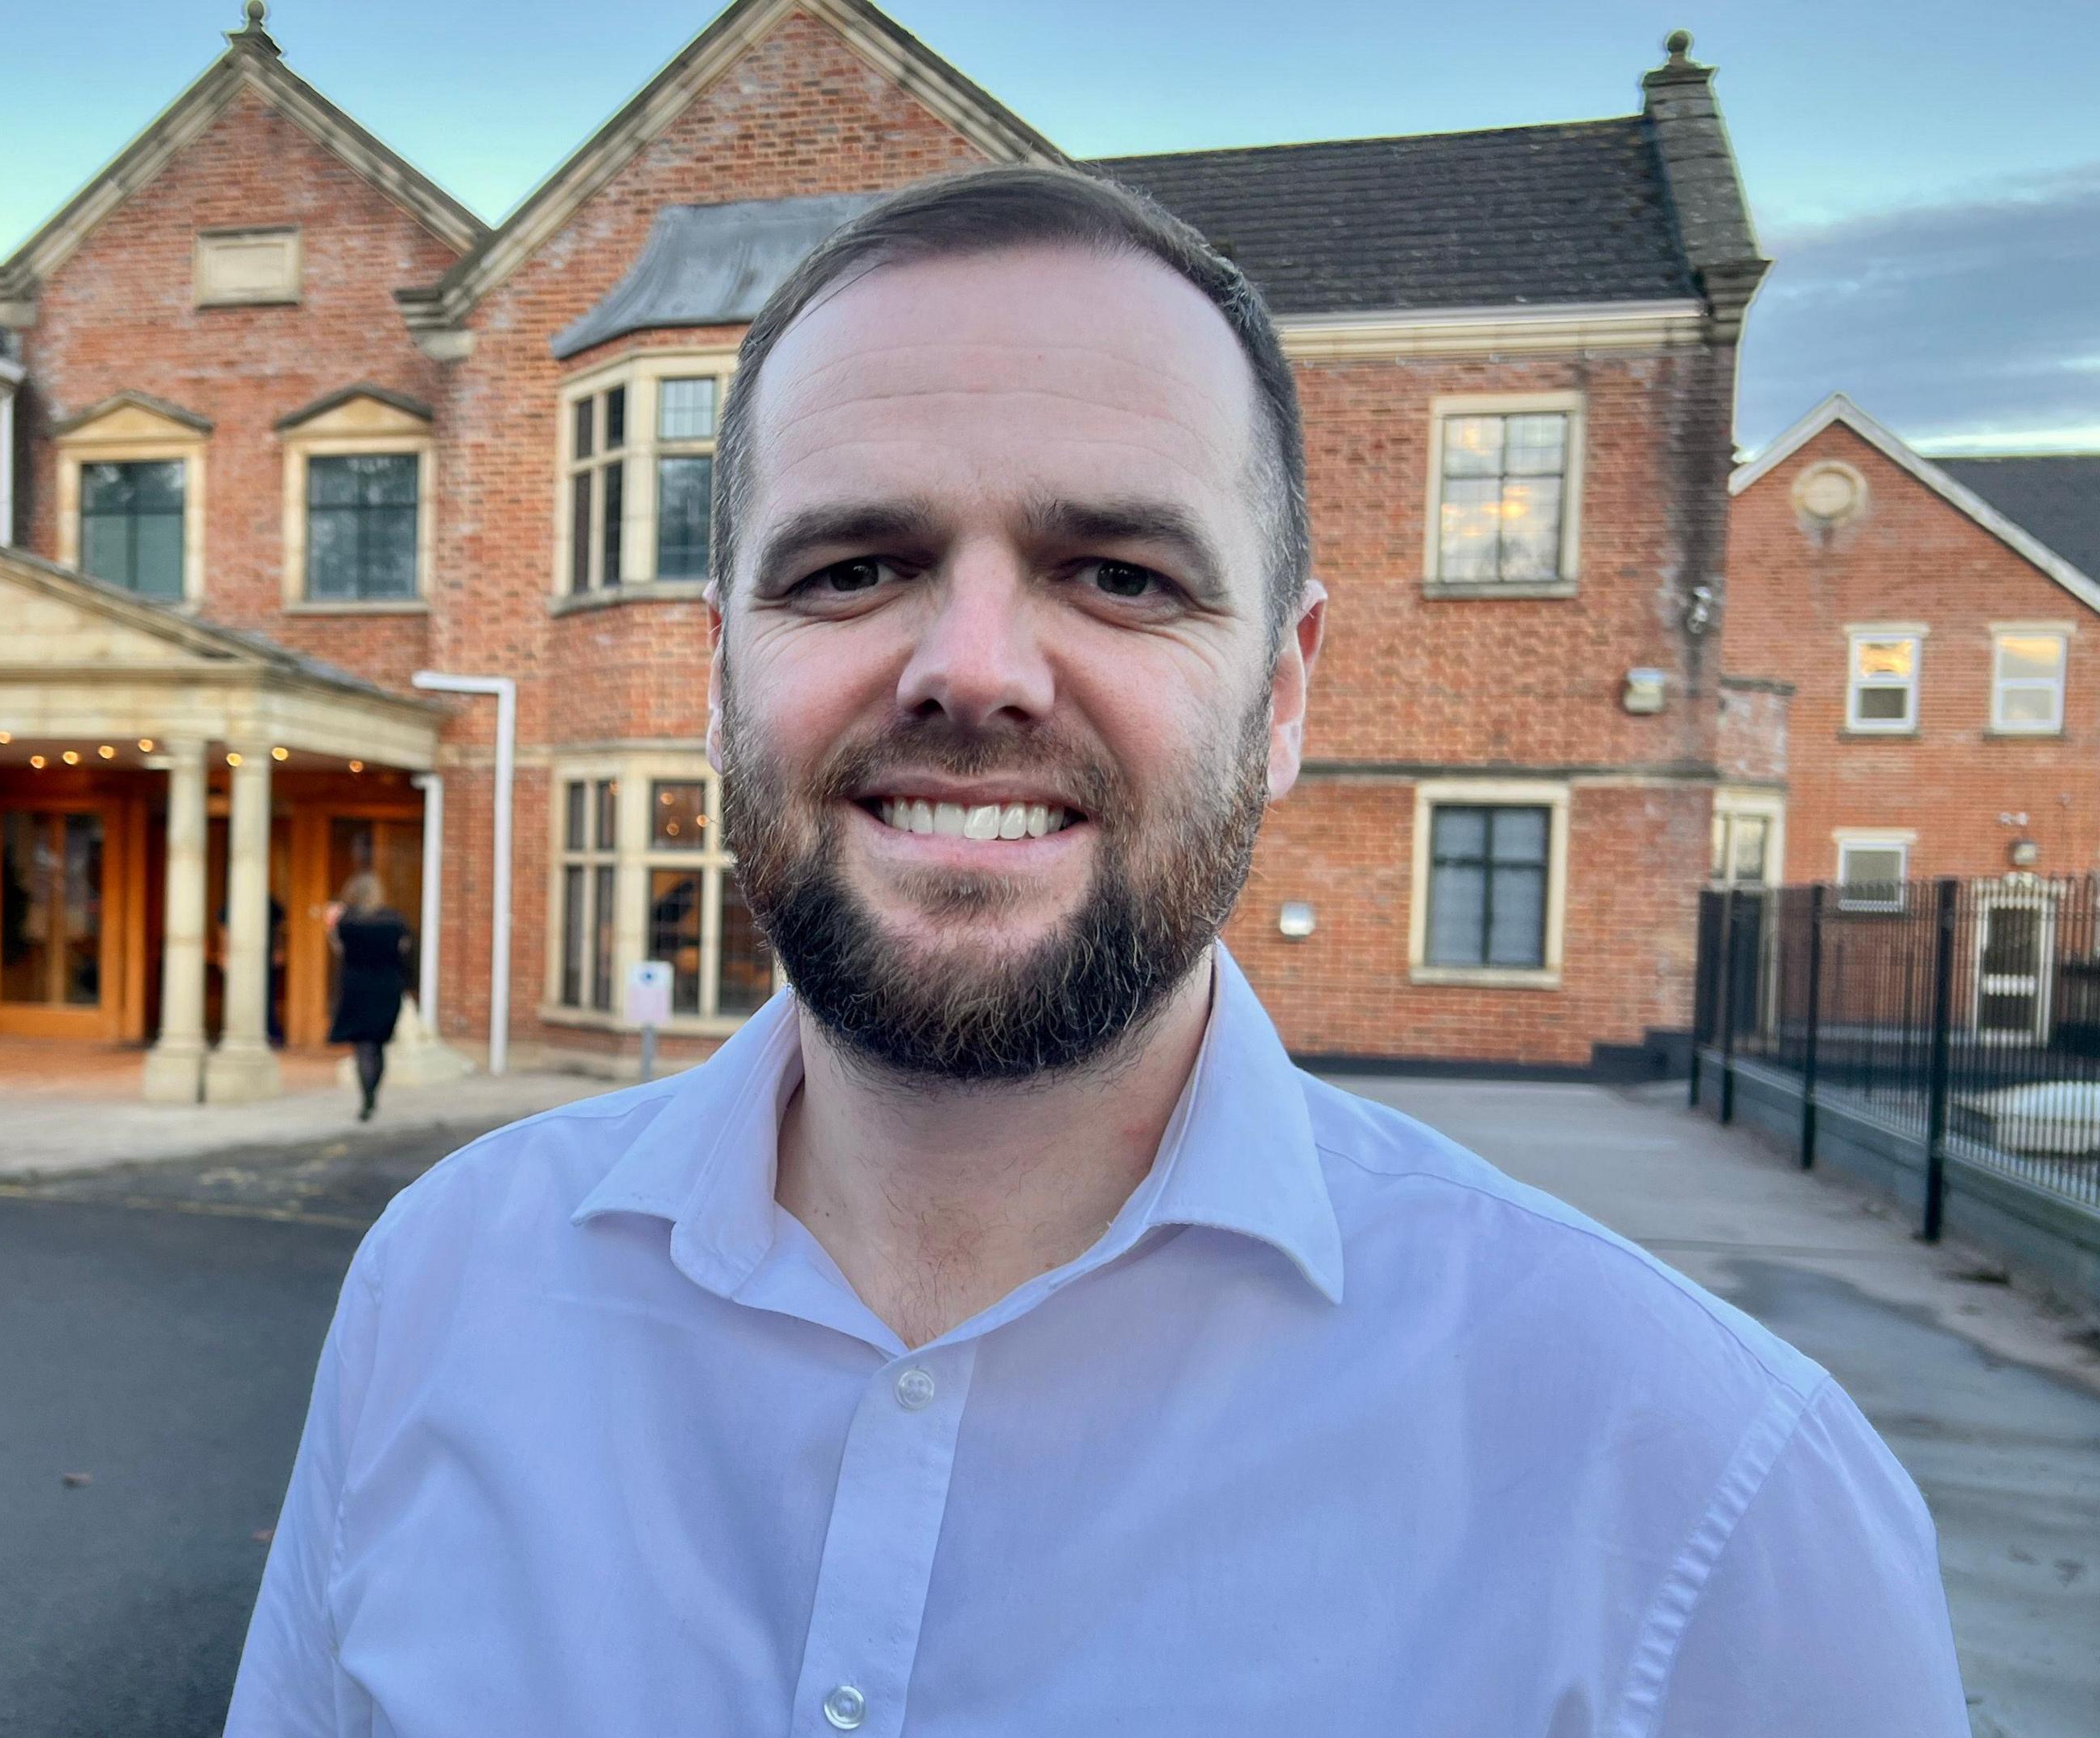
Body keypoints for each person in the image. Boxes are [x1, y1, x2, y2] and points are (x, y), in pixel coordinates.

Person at [227, 165, 1966, 1735]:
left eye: (1120, 574)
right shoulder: (440, 1286)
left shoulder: (1705, 1487)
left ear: (1282, 693)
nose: (970, 667)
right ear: (716, 672)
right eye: (851, 568)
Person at [323, 873, 410, 1122]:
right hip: (386, 987)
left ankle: (367, 1098)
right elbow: (403, 950)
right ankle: (374, 1094)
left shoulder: (347, 922)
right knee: (379, 1044)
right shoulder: (394, 921)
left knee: (363, 1046)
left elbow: (339, 949)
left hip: (358, 987)